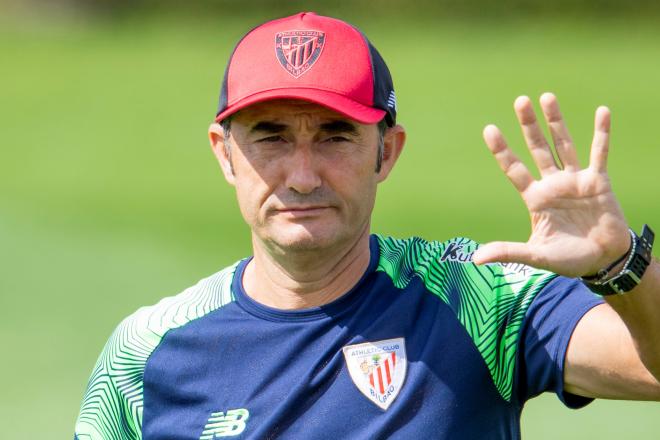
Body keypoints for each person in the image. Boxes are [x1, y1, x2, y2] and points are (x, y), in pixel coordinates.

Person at [74, 12, 660, 439]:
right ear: (225, 154)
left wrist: (621, 265)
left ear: (387, 151)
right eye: (271, 136)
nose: (302, 176)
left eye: (335, 135)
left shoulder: (476, 297)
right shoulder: (145, 354)